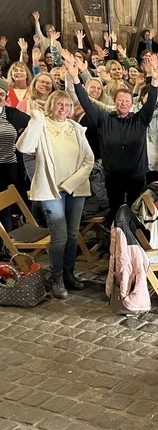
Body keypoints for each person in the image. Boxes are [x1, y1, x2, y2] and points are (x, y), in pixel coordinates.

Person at [16, 90, 95, 298]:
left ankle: (69, 273)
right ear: (51, 105)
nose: (63, 109)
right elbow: (23, 147)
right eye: (59, 104)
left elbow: (89, 160)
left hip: (75, 188)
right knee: (59, 236)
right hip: (50, 190)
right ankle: (56, 277)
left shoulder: (75, 128)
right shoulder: (42, 126)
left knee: (72, 234)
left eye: (67, 105)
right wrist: (36, 119)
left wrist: (71, 183)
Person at [68, 52, 158, 225]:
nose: (123, 103)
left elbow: (150, 103)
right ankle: (114, 237)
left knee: (136, 212)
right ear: (114, 102)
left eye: (127, 101)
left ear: (132, 104)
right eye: (120, 101)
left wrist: (154, 81)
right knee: (115, 210)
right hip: (113, 176)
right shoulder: (103, 119)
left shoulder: (140, 119)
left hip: (136, 176)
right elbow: (86, 102)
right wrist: (75, 78)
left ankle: (134, 239)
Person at [0, 80, 30, 238]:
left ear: (6, 96)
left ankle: (6, 245)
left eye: (1, 94)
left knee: (5, 210)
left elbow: (32, 123)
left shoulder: (12, 114)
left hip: (8, 168)